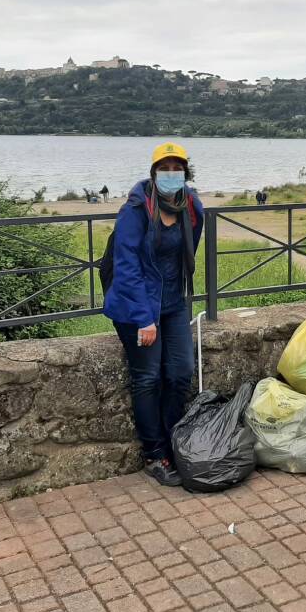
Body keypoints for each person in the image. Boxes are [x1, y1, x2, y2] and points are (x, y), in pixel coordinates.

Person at [103, 142, 203, 487]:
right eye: (165, 169)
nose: (171, 175)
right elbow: (126, 264)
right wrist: (144, 318)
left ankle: (174, 438)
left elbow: (188, 249)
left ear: (186, 173)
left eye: (178, 169)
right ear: (153, 172)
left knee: (180, 372)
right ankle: (155, 453)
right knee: (147, 378)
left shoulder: (191, 205)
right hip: (136, 306)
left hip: (173, 302)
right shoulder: (136, 209)